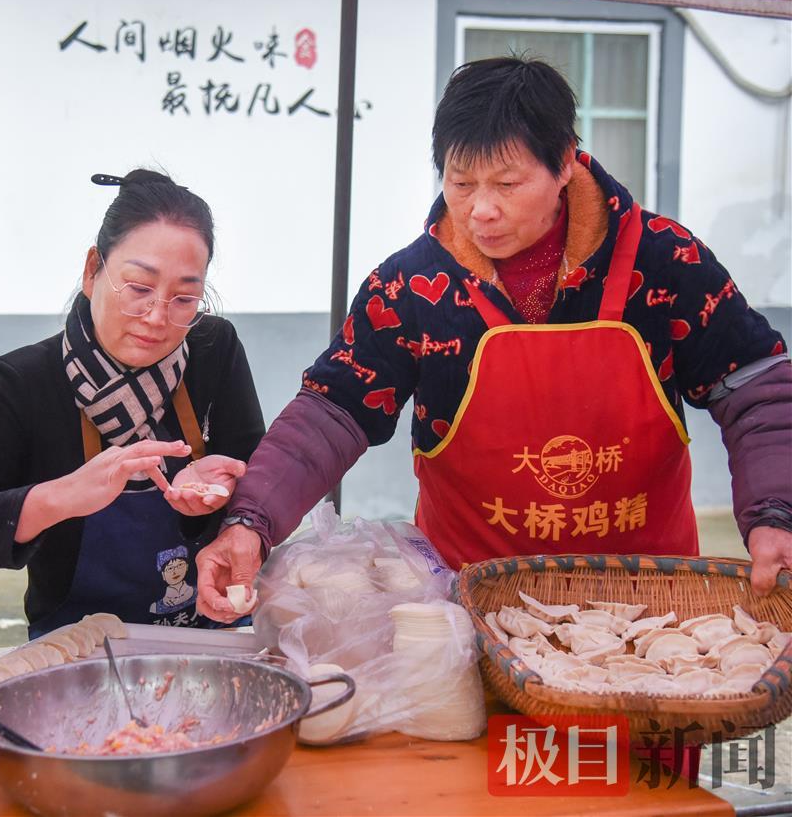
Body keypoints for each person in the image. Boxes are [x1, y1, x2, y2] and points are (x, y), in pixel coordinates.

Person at [195, 57, 791, 622]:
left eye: (507, 183)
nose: (481, 210)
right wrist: (250, 521)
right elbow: (332, 411)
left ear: (564, 164)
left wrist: (774, 515)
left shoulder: (665, 262)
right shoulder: (412, 287)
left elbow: (758, 389)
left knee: (622, 737)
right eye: (461, 183)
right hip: (469, 607)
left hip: (651, 603)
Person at [0, 170, 265, 636]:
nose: (157, 318)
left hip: (209, 637)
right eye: (139, 287)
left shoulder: (213, 350)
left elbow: (260, 485)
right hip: (78, 653)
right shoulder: (25, 381)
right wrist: (59, 497)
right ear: (92, 269)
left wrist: (222, 503)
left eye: (184, 298)